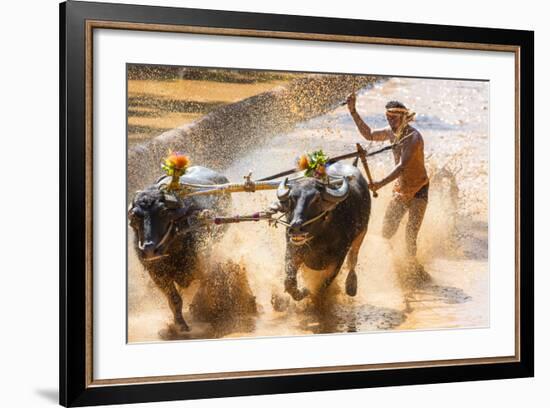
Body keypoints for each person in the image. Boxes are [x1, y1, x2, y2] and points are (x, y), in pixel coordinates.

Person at [347, 94, 431, 283]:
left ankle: (413, 269)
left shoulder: (414, 137)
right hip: (400, 190)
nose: (390, 122)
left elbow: (402, 166)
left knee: (410, 234)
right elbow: (368, 134)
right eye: (388, 118)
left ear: (404, 117)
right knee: (386, 232)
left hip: (419, 189)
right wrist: (353, 111)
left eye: (394, 118)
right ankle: (394, 266)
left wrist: (379, 184)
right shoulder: (390, 133)